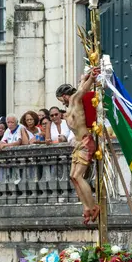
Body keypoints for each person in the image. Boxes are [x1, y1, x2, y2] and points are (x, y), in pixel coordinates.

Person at [55, 74, 100, 224]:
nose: (61, 103)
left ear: (64, 96)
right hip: (79, 143)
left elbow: (82, 90)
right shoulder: (70, 106)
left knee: (79, 176)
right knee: (73, 177)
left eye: (60, 100)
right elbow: (81, 86)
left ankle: (93, 206)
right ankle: (86, 206)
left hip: (86, 142)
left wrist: (91, 78)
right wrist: (83, 79)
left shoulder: (75, 99)